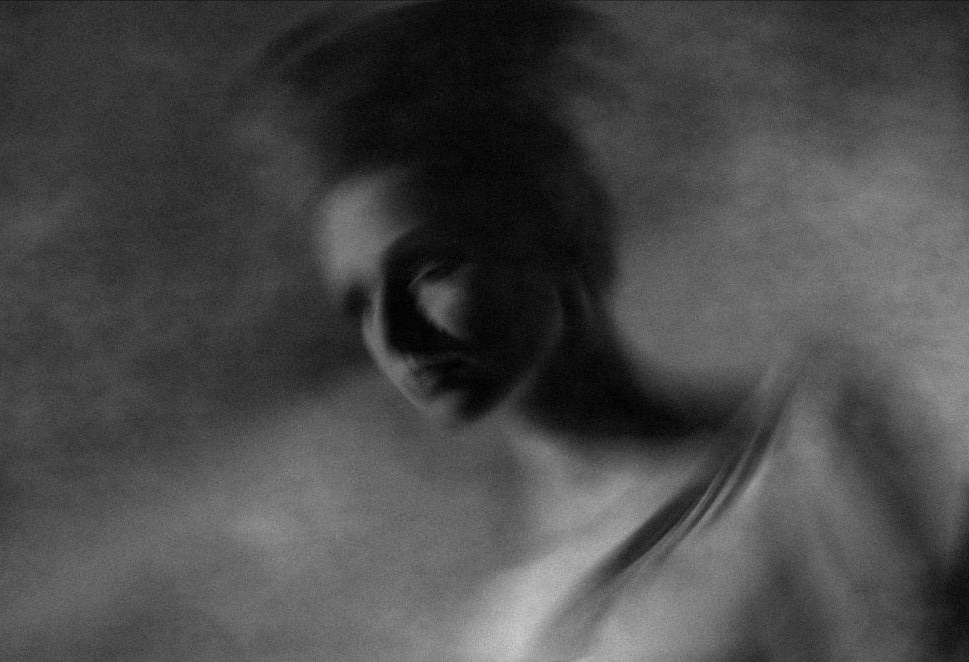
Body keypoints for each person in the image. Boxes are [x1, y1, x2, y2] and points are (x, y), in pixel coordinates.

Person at [235, 2, 963, 659]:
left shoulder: (810, 451)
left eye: (428, 271)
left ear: (548, 228)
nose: (395, 334)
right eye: (359, 305)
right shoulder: (500, 621)